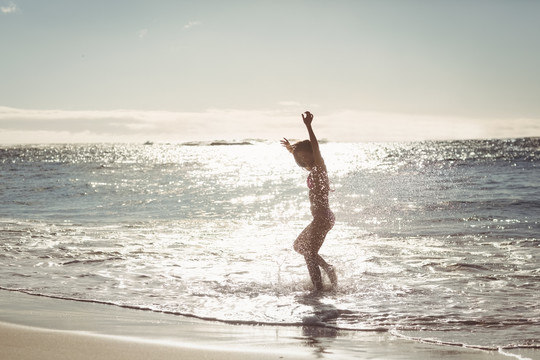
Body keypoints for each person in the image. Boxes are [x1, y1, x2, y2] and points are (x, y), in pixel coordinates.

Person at [281, 111, 337, 291]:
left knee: (309, 253)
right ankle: (327, 269)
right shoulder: (313, 169)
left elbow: (316, 148)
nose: (304, 159)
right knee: (300, 246)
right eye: (301, 157)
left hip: (323, 218)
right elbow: (303, 155)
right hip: (321, 218)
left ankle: (318, 288)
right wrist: (292, 149)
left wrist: (308, 126)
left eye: (307, 155)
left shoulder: (320, 166)